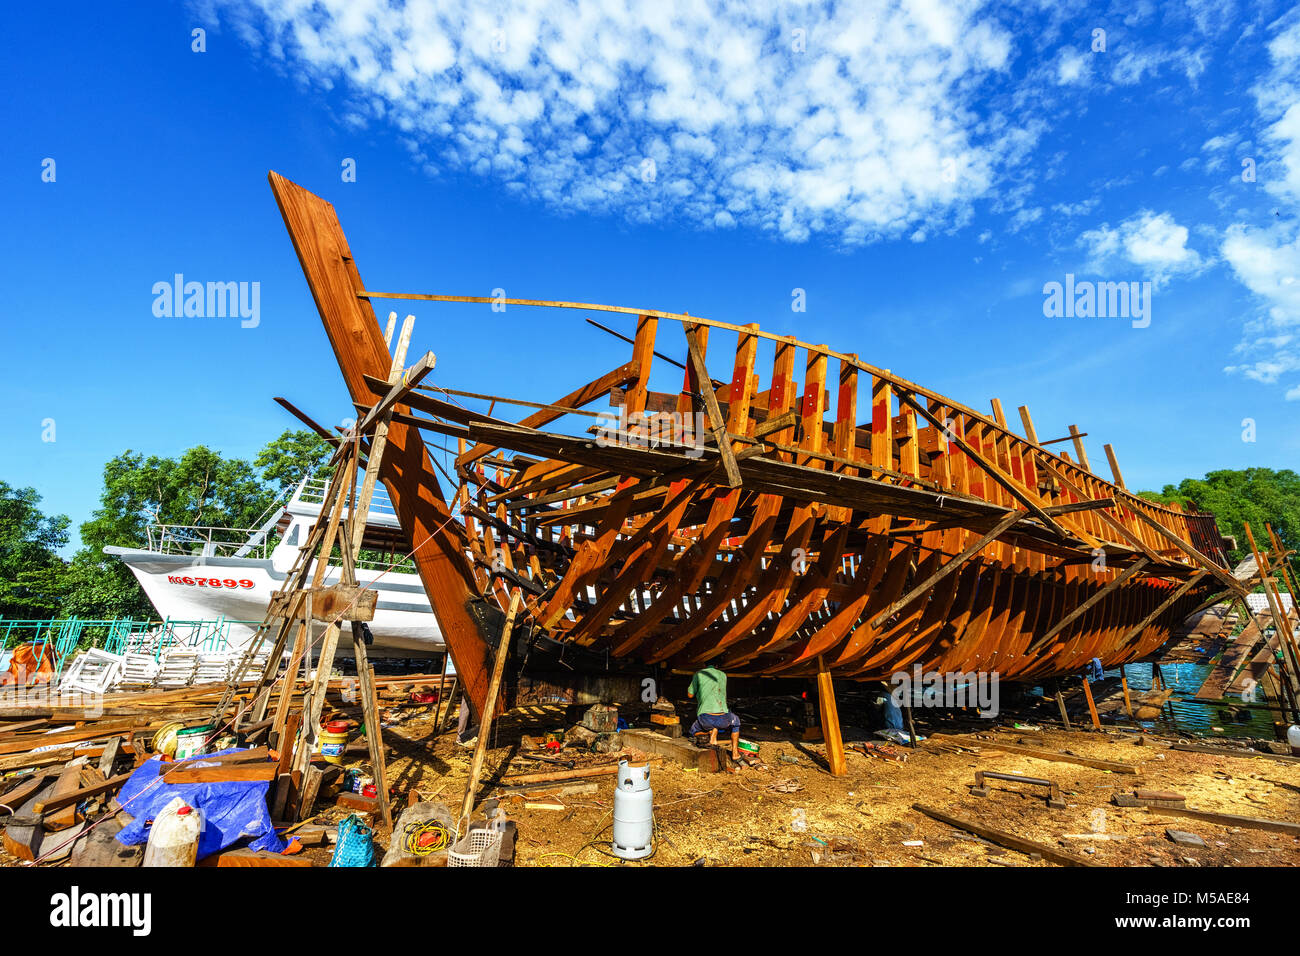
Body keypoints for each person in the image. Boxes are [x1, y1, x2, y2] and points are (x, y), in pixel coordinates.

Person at [687, 662, 741, 760]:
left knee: (692, 731)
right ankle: (735, 753)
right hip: (725, 719)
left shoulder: (698, 674)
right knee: (736, 722)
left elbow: (690, 695)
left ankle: (710, 732)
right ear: (717, 665)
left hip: (706, 718)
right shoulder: (723, 675)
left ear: (704, 664)